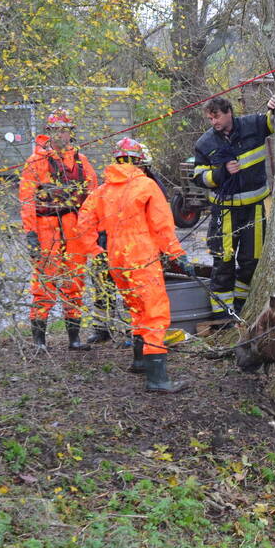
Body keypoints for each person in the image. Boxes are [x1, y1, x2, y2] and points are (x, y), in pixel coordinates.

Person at [76, 137, 192, 393]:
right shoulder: (146, 186)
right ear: (139, 161)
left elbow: (83, 222)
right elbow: (163, 227)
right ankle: (157, 379)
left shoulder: (103, 190)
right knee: (153, 313)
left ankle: (140, 361)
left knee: (136, 309)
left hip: (117, 259)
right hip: (142, 258)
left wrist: (96, 252)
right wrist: (178, 255)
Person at [18, 108, 98, 352]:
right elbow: (27, 199)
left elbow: (93, 196)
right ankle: (39, 341)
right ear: (49, 132)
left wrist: (95, 230)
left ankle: (74, 338)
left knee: (75, 281)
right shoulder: (36, 162)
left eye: (65, 130)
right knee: (45, 283)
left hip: (74, 228)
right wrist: (31, 234)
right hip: (46, 229)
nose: (61, 135)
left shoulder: (81, 162)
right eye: (56, 130)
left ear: (71, 133)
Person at [192, 96, 275, 319]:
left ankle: (240, 306)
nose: (213, 122)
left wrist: (274, 107)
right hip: (224, 212)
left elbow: (273, 121)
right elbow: (199, 178)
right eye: (210, 118)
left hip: (254, 209)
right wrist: (221, 173)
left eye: (216, 116)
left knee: (252, 261)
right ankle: (222, 316)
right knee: (223, 262)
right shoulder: (204, 143)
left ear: (229, 111)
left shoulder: (253, 125)